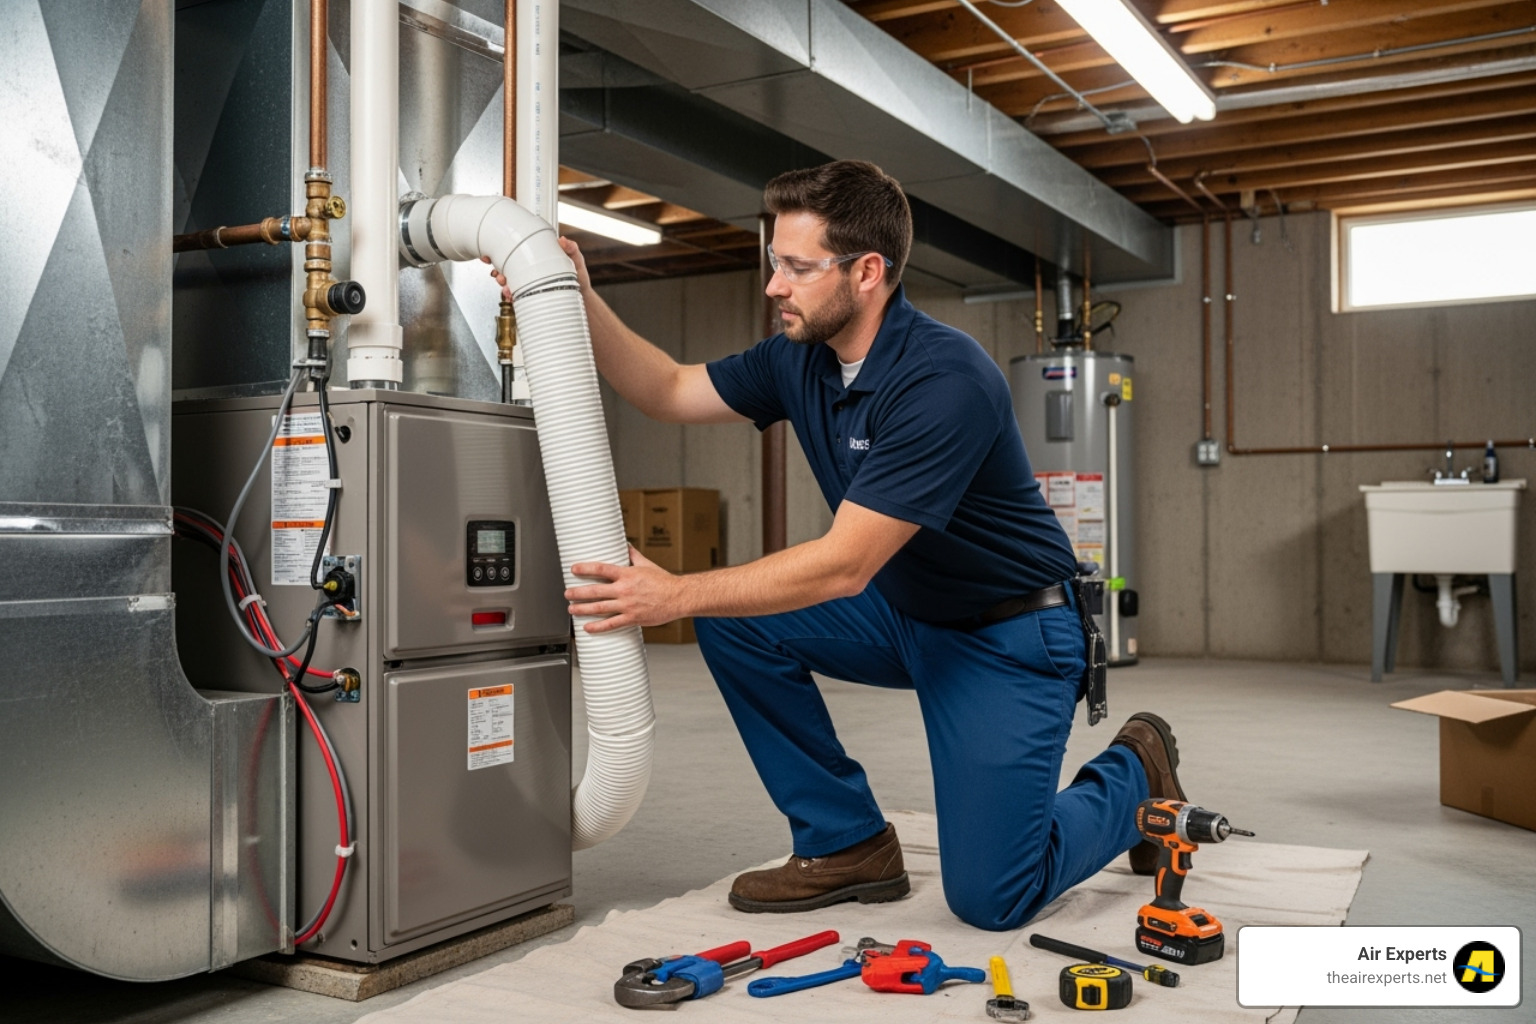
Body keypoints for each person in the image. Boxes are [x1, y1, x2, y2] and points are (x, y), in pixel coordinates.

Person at [530, 160, 1184, 930]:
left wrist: (672, 594)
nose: (775, 285)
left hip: (1008, 634)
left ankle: (1136, 773)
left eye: (799, 268)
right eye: (775, 261)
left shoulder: (945, 380)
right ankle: (846, 843)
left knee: (994, 897)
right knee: (736, 618)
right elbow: (668, 389)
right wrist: (578, 299)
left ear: (868, 271)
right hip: (907, 610)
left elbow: (844, 565)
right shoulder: (799, 356)